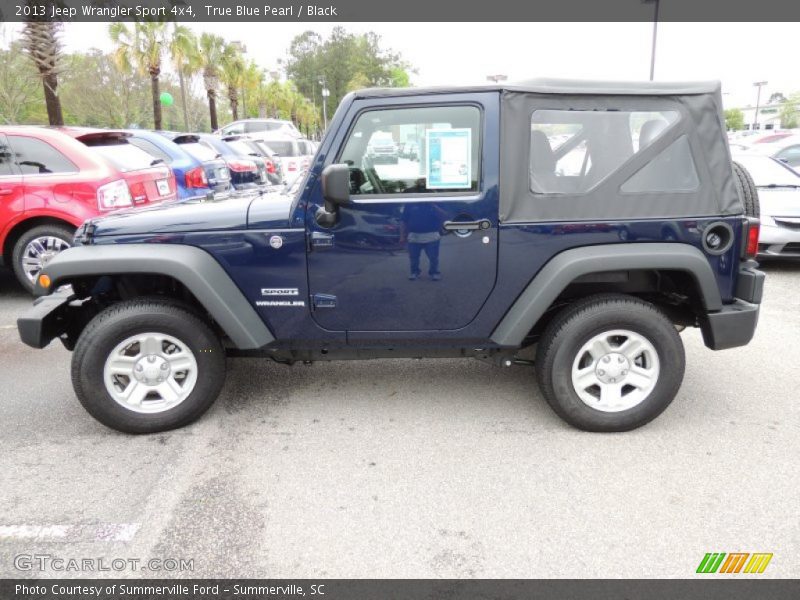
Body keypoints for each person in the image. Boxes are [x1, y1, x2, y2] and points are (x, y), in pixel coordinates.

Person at [400, 200, 446, 281]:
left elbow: (444, 216)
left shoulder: (436, 203)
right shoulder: (410, 204)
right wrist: (402, 236)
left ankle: (434, 273)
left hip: (432, 236)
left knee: (433, 257)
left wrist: (433, 205)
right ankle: (414, 272)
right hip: (414, 236)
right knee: (413, 257)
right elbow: (404, 221)